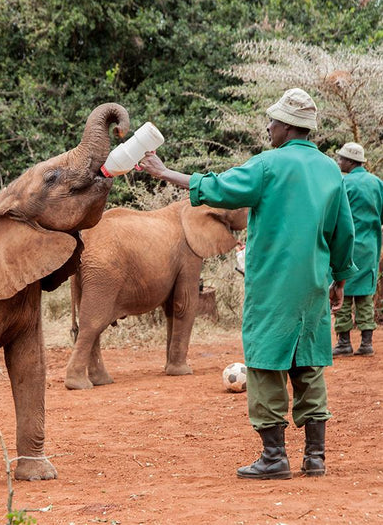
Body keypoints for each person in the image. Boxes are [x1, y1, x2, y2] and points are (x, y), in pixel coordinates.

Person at [139, 88, 357, 480]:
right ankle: (315, 456)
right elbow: (344, 232)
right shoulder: (330, 170)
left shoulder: (267, 166)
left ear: (289, 127)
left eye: (273, 120)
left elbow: (217, 188)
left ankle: (274, 458)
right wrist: (339, 279)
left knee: (264, 362)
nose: (268, 126)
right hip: (312, 284)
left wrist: (163, 171)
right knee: (308, 361)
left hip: (272, 285)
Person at [332, 142, 383, 357]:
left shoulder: (342, 183)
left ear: (351, 162)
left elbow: (335, 215)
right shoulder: (377, 183)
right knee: (365, 293)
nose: (339, 161)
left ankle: (344, 342)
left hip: (348, 244)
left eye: (342, 158)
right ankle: (366, 343)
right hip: (371, 246)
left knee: (341, 287)